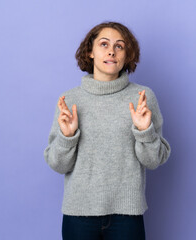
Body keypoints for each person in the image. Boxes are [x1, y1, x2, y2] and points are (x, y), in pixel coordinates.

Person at [44, 21, 171, 240]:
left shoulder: (142, 97)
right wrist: (67, 137)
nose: (111, 50)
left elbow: (154, 161)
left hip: (127, 216)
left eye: (119, 46)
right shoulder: (70, 100)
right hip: (78, 214)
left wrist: (145, 131)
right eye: (104, 44)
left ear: (127, 55)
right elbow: (58, 164)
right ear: (90, 52)